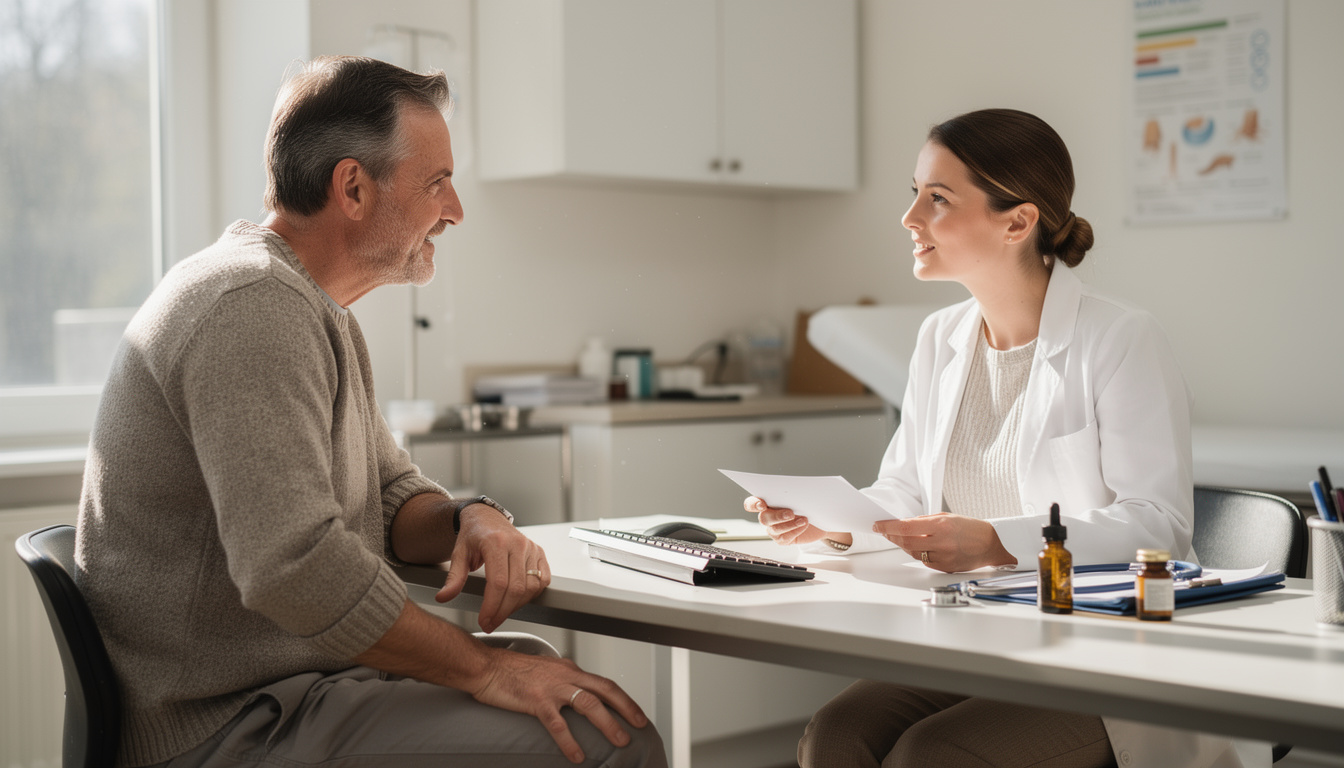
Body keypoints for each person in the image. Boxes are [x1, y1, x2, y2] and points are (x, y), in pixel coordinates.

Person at [75, 56, 665, 768]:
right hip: (231, 726)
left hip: (295, 687)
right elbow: (293, 568)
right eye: (437, 182)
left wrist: (468, 516)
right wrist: (483, 669)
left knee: (545, 668)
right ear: (353, 187)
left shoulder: (313, 311)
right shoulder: (250, 306)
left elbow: (388, 498)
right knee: (608, 739)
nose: (456, 210)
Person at [746, 109, 1267, 768]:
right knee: (836, 735)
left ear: (1017, 223)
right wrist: (833, 523)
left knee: (933, 755)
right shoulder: (939, 338)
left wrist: (996, 540)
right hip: (977, 633)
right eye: (915, 193)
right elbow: (905, 490)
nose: (910, 217)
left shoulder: (1120, 337)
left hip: (1103, 650)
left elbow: (1157, 526)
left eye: (938, 199)